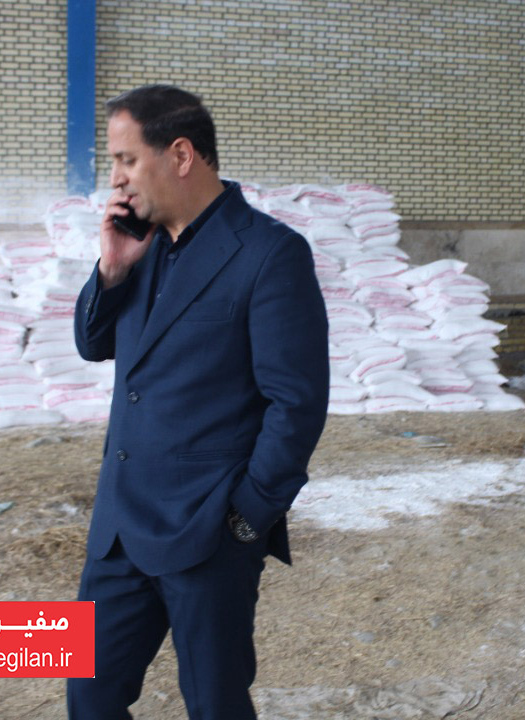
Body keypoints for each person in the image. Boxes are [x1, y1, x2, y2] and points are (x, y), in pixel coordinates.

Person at [68, 84, 330, 720]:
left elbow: (296, 403)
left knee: (214, 705)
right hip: (120, 530)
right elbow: (92, 344)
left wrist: (246, 522)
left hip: (207, 533)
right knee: (89, 699)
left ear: (181, 155)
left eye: (128, 159)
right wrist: (112, 270)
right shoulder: (139, 245)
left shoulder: (269, 253)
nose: (117, 178)